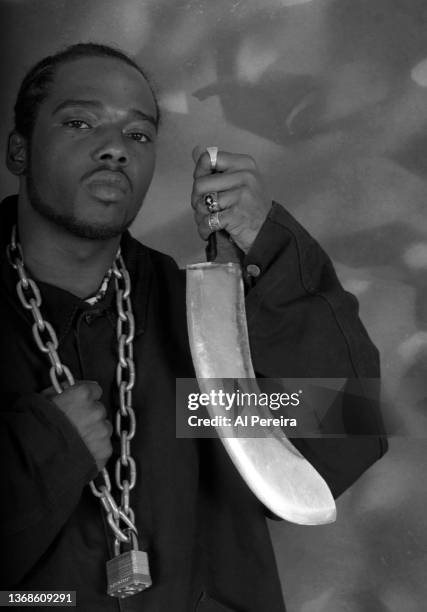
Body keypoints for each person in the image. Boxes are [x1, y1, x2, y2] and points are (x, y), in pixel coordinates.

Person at [0, 43, 387, 611]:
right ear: (19, 149)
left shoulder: (198, 335)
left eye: (138, 135)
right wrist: (44, 448)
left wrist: (270, 250)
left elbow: (343, 428)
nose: (114, 150)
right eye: (79, 122)